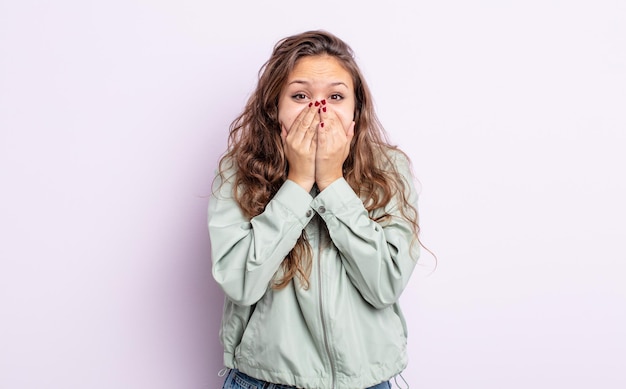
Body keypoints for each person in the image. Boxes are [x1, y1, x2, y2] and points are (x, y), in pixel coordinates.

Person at [208, 30, 422, 389]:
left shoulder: (389, 170)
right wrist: (298, 180)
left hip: (367, 382)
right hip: (263, 381)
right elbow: (239, 283)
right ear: (275, 108)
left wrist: (333, 183)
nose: (318, 109)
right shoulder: (238, 171)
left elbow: (385, 285)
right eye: (301, 95)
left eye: (335, 95)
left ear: (356, 111)